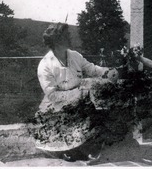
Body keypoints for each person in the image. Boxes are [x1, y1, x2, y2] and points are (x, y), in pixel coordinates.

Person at [34, 22, 119, 162]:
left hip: (79, 103)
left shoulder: (75, 56)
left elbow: (92, 69)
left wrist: (107, 72)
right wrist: (79, 93)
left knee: (102, 114)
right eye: (66, 35)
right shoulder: (45, 65)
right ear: (57, 40)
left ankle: (87, 149)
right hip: (56, 108)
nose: (70, 37)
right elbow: (53, 95)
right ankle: (73, 149)